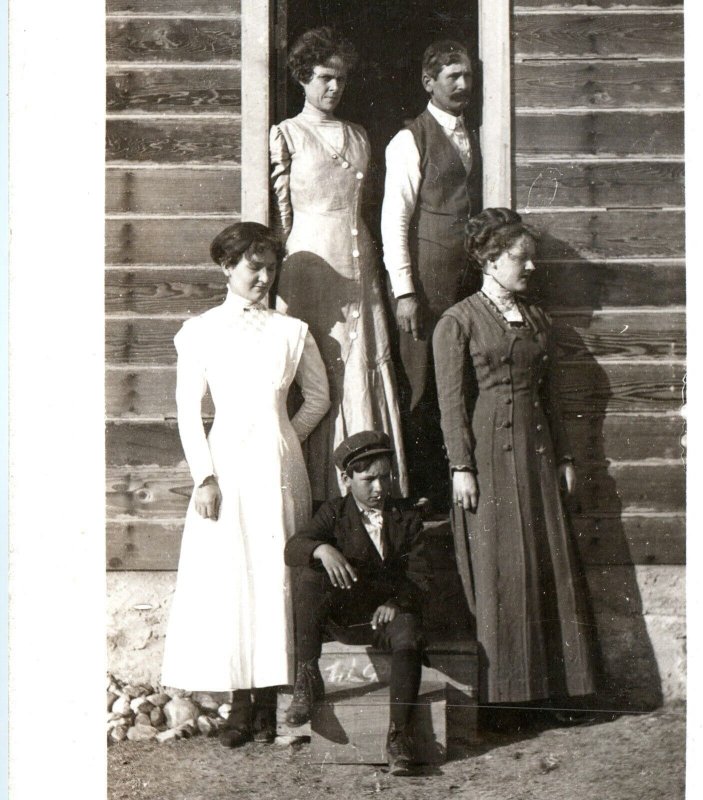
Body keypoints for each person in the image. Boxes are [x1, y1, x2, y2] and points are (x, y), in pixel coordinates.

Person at [161, 222, 330, 748]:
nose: (262, 276)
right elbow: (189, 411)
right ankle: (239, 705)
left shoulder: (290, 330)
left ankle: (267, 706)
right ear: (226, 268)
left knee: (274, 575)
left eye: (270, 267)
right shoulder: (201, 331)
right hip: (225, 466)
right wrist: (204, 476)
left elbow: (319, 398)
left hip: (279, 470)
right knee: (232, 576)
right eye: (252, 267)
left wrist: (287, 438)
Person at [432, 208, 597, 713]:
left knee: (548, 563)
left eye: (532, 259)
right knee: (502, 567)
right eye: (520, 259)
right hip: (488, 458)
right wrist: (461, 466)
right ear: (489, 259)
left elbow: (552, 396)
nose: (530, 268)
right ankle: (506, 701)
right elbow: (451, 403)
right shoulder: (457, 322)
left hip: (539, 454)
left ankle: (562, 691)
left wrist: (565, 456)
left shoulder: (537, 318)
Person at [270, 26, 408, 502]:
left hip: (359, 259)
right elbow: (282, 213)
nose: (334, 88)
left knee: (361, 361)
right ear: (304, 78)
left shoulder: (358, 135)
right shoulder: (287, 134)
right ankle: (319, 490)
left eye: (342, 80)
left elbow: (362, 204)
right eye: (325, 77)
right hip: (311, 262)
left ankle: (366, 486)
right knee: (318, 367)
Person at [283, 431, 429, 775]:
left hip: (387, 618)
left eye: (385, 477)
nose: (380, 488)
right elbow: (293, 547)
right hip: (346, 619)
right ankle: (307, 678)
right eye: (369, 480)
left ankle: (398, 737)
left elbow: (421, 576)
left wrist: (396, 601)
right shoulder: (335, 513)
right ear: (347, 480)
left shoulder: (406, 516)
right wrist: (321, 548)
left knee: (409, 632)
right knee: (308, 576)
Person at [381, 39, 482, 510]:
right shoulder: (410, 139)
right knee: (422, 382)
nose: (463, 85)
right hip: (425, 283)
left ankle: (455, 483)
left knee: (460, 376)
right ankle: (423, 493)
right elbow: (394, 221)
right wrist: (404, 291)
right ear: (429, 83)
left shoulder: (476, 133)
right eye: (452, 77)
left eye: (467, 76)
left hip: (467, 282)